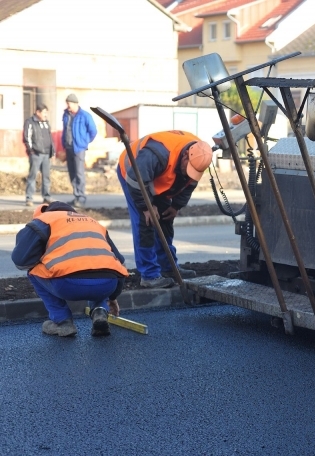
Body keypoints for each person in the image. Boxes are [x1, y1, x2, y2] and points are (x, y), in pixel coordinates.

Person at [11, 201, 128, 337]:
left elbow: (20, 260)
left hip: (68, 285)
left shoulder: (43, 220)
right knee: (99, 266)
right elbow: (120, 263)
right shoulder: (92, 221)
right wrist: (112, 297)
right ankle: (100, 311)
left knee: (33, 271)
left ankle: (62, 321)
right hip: (107, 284)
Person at [116, 130, 212, 288]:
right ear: (186, 155)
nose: (189, 174)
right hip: (133, 174)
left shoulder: (199, 155)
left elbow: (190, 183)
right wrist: (146, 207)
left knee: (165, 219)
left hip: (161, 175)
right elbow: (135, 180)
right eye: (188, 169)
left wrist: (176, 206)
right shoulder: (157, 154)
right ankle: (149, 275)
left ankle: (168, 267)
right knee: (146, 222)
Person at [61, 93, 97, 208]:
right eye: (67, 103)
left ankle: (81, 197)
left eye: (69, 103)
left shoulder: (85, 115)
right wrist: (63, 143)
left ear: (75, 103)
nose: (68, 106)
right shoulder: (66, 115)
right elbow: (65, 130)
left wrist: (84, 142)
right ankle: (76, 196)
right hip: (68, 148)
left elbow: (93, 131)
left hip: (79, 149)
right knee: (72, 173)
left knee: (79, 173)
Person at [22, 104, 54, 206]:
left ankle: (46, 197)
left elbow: (50, 138)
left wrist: (52, 152)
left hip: (46, 154)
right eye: (44, 112)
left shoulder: (46, 123)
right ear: (38, 112)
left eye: (46, 112)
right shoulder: (30, 122)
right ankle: (29, 198)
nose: (46, 115)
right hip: (36, 154)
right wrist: (31, 150)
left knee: (46, 177)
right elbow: (26, 137)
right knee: (32, 176)